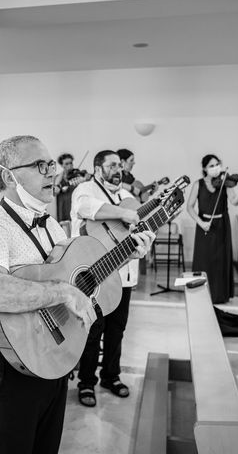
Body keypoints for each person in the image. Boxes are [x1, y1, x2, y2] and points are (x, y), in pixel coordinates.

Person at [0, 136, 152, 454]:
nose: (51, 172)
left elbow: (83, 276)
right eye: (41, 165)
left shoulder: (52, 226)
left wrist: (126, 255)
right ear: (9, 176)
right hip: (15, 365)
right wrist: (62, 292)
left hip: (56, 355)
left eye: (51, 164)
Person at [70, 149, 154, 407]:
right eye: (113, 165)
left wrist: (144, 243)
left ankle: (111, 376)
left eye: (120, 166)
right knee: (94, 329)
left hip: (125, 275)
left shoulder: (128, 196)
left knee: (118, 329)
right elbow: (86, 209)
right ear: (98, 168)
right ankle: (86, 382)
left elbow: (142, 227)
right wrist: (122, 214)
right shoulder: (85, 189)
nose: (119, 170)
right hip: (96, 274)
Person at [187, 154, 238, 304]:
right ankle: (201, 294)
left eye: (217, 164)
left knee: (220, 261)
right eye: (211, 166)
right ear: (204, 169)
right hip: (204, 225)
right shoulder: (198, 184)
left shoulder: (225, 183)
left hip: (221, 225)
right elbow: (190, 206)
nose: (215, 168)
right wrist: (200, 222)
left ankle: (219, 295)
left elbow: (235, 201)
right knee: (204, 260)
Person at [53, 153, 75, 221]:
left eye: (71, 163)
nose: (70, 165)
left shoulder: (76, 176)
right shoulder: (58, 178)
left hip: (74, 210)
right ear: (62, 165)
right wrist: (64, 172)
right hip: (63, 211)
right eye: (66, 164)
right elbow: (55, 189)